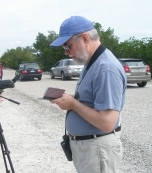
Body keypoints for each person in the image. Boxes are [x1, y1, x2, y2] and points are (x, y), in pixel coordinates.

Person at [50, 16, 127, 173]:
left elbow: (107, 122)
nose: (67, 53)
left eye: (68, 46)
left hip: (98, 149)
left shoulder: (106, 69)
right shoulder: (92, 62)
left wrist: (72, 104)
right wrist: (70, 100)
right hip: (91, 149)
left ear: (85, 38)